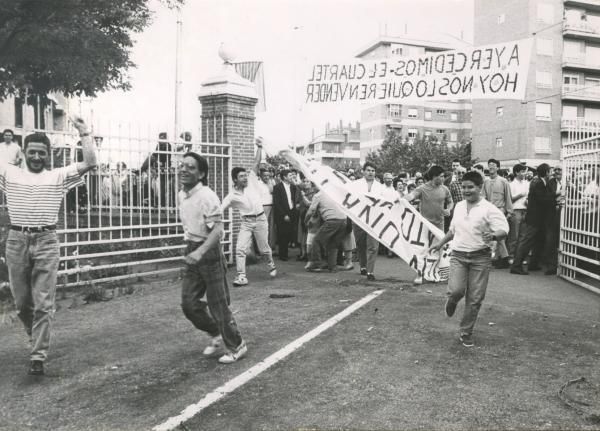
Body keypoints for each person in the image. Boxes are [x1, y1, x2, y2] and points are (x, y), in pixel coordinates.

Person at [1, 117, 96, 375]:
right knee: (22, 303)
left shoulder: (58, 176)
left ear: (48, 155)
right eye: (31, 152)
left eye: (41, 153)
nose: (36, 157)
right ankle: (36, 334)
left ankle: (38, 356)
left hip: (46, 241)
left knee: (43, 302)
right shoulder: (10, 172)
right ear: (24, 152)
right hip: (17, 241)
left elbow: (90, 163)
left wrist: (85, 132)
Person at [178, 151, 247, 364]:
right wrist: (191, 248)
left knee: (218, 304)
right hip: (192, 248)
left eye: (191, 167)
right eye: (183, 165)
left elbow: (217, 230)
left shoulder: (207, 195)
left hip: (209, 251)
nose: (184, 170)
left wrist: (200, 251)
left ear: (201, 174)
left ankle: (237, 345)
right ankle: (216, 332)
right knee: (189, 303)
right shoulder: (182, 194)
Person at [429, 171, 509, 347]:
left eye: (470, 187)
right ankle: (452, 300)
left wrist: (493, 236)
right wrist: (440, 243)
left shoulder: (489, 209)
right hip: (458, 255)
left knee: (475, 299)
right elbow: (452, 230)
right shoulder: (458, 206)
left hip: (480, 258)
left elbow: (504, 230)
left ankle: (466, 332)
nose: (466, 190)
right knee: (457, 290)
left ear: (480, 188)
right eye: (464, 187)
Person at [221, 138, 276, 287]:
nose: (245, 177)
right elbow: (222, 207)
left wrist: (259, 147)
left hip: (260, 220)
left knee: (264, 249)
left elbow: (256, 163)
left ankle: (271, 264)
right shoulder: (232, 195)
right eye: (241, 176)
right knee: (240, 248)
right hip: (246, 222)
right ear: (235, 180)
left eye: (245, 175)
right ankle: (241, 276)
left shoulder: (251, 180)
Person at [510, 163, 556, 275]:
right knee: (526, 242)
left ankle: (533, 264)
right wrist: (556, 195)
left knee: (537, 242)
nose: (552, 173)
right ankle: (516, 266)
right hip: (534, 218)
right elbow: (543, 200)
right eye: (550, 171)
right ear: (546, 172)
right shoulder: (538, 183)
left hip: (538, 218)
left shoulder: (542, 182)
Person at [352, 161, 384, 280]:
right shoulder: (356, 184)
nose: (371, 173)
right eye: (368, 170)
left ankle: (370, 271)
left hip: (375, 219)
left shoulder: (380, 187)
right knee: (360, 244)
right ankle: (363, 266)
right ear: (363, 171)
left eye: (373, 171)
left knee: (373, 246)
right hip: (359, 217)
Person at [304, 190, 348, 272]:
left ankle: (316, 265)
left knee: (316, 241)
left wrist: (305, 220)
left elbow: (311, 211)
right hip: (343, 220)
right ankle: (332, 266)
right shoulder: (334, 192)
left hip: (332, 221)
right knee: (333, 244)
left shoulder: (318, 195)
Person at [482, 159, 513, 269]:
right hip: (488, 212)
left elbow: (508, 197)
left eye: (493, 165)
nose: (491, 167)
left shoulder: (503, 181)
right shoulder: (485, 181)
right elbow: (483, 198)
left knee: (499, 235)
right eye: (489, 165)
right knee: (491, 236)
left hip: (500, 211)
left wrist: (509, 212)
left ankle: (501, 258)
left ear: (498, 168)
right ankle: (501, 258)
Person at [404, 165, 453, 232]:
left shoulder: (445, 189)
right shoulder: (422, 188)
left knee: (440, 242)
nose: (443, 178)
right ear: (434, 176)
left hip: (440, 225)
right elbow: (411, 195)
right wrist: (402, 200)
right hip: (425, 225)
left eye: (443, 176)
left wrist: (448, 209)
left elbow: (450, 202)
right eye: (441, 176)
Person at [272, 168, 298, 261]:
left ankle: (286, 252)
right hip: (282, 213)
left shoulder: (293, 187)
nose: (292, 177)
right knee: (282, 234)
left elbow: (294, 199)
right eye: (290, 175)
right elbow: (277, 203)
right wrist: (284, 215)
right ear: (284, 177)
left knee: (289, 233)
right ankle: (283, 255)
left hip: (292, 211)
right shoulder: (277, 187)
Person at [508, 164, 529, 262]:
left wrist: (527, 200)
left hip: (525, 210)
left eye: (524, 171)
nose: (524, 173)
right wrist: (520, 195)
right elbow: (509, 199)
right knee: (514, 235)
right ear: (516, 172)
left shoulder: (527, 183)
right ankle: (512, 256)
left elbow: (529, 195)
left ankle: (520, 257)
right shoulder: (511, 185)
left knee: (523, 236)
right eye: (522, 171)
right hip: (516, 211)